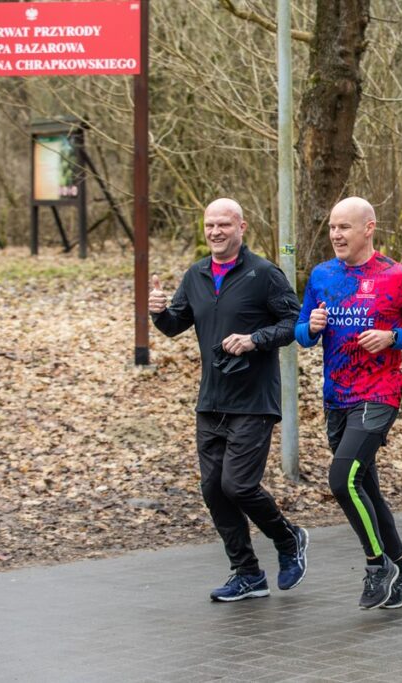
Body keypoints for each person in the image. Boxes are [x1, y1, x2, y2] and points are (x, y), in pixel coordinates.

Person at [149, 197, 309, 601]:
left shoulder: (264, 274)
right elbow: (175, 324)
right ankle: (248, 573)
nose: (216, 232)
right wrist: (158, 312)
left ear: (242, 227)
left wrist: (255, 339)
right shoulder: (197, 274)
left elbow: (294, 323)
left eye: (224, 224)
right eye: (210, 225)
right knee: (213, 489)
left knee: (238, 486)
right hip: (211, 401)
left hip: (254, 399)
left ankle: (288, 538)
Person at [295, 196, 402, 610]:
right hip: (336, 397)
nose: (336, 235)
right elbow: (301, 334)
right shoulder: (322, 275)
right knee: (365, 489)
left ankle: (377, 565)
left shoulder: (397, 276)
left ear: (368, 228)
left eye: (344, 227)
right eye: (332, 227)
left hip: (379, 394)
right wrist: (311, 326)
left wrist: (393, 337)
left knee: (342, 479)